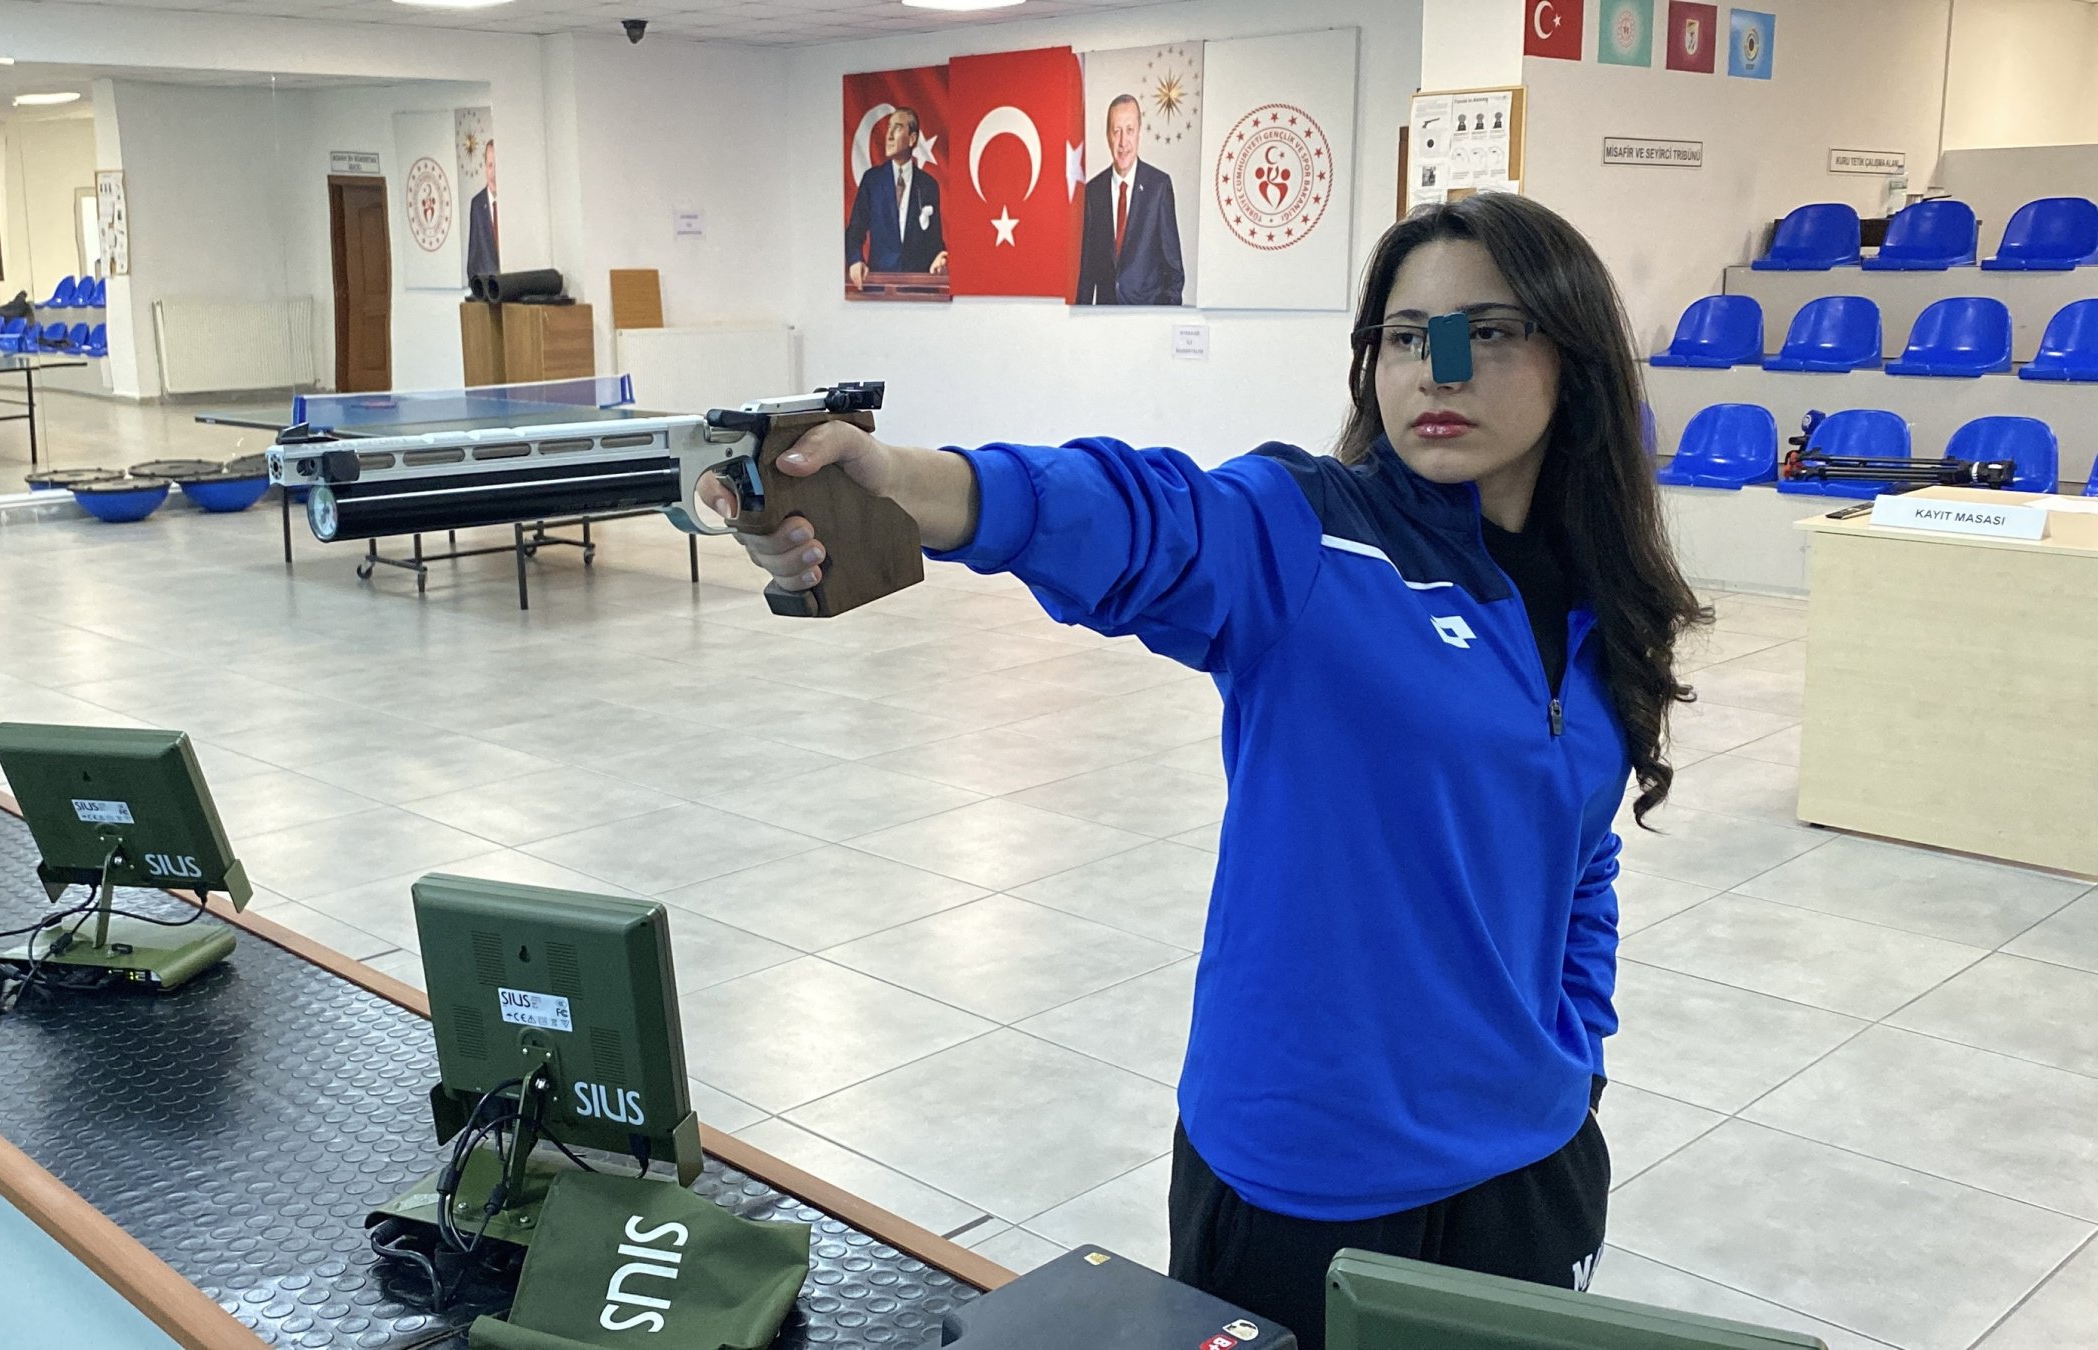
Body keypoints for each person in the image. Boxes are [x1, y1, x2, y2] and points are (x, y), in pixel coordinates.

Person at [711, 192, 1706, 1347]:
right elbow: (1139, 517)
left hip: (1529, 1168)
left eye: (1487, 331)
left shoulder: (1599, 599)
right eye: (1403, 335)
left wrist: (1573, 1059)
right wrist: (904, 484)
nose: (1438, 369)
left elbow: (1581, 858)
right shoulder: (1306, 538)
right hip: (1306, 1176)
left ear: (1572, 356)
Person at [1076, 94, 1185, 306]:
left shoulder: (1158, 187)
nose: (1123, 142)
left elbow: (1174, 271)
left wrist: (1161, 322)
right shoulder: (1093, 192)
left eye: (1129, 130)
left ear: (1139, 134)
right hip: (1105, 323)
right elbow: (1087, 273)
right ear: (1108, 136)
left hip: (1147, 321)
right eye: (1116, 131)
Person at [845, 108, 947, 287]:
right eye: (889, 128)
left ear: (912, 139)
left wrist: (940, 258)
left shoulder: (928, 185)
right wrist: (855, 261)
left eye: (897, 128)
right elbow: (854, 232)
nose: (889, 135)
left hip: (918, 289)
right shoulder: (872, 180)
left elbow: (935, 242)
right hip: (879, 288)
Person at [466, 139, 502, 283]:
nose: (493, 173)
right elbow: (473, 261)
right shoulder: (477, 204)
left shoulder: (514, 201)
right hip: (488, 295)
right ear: (485, 168)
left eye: (497, 166)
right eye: (490, 166)